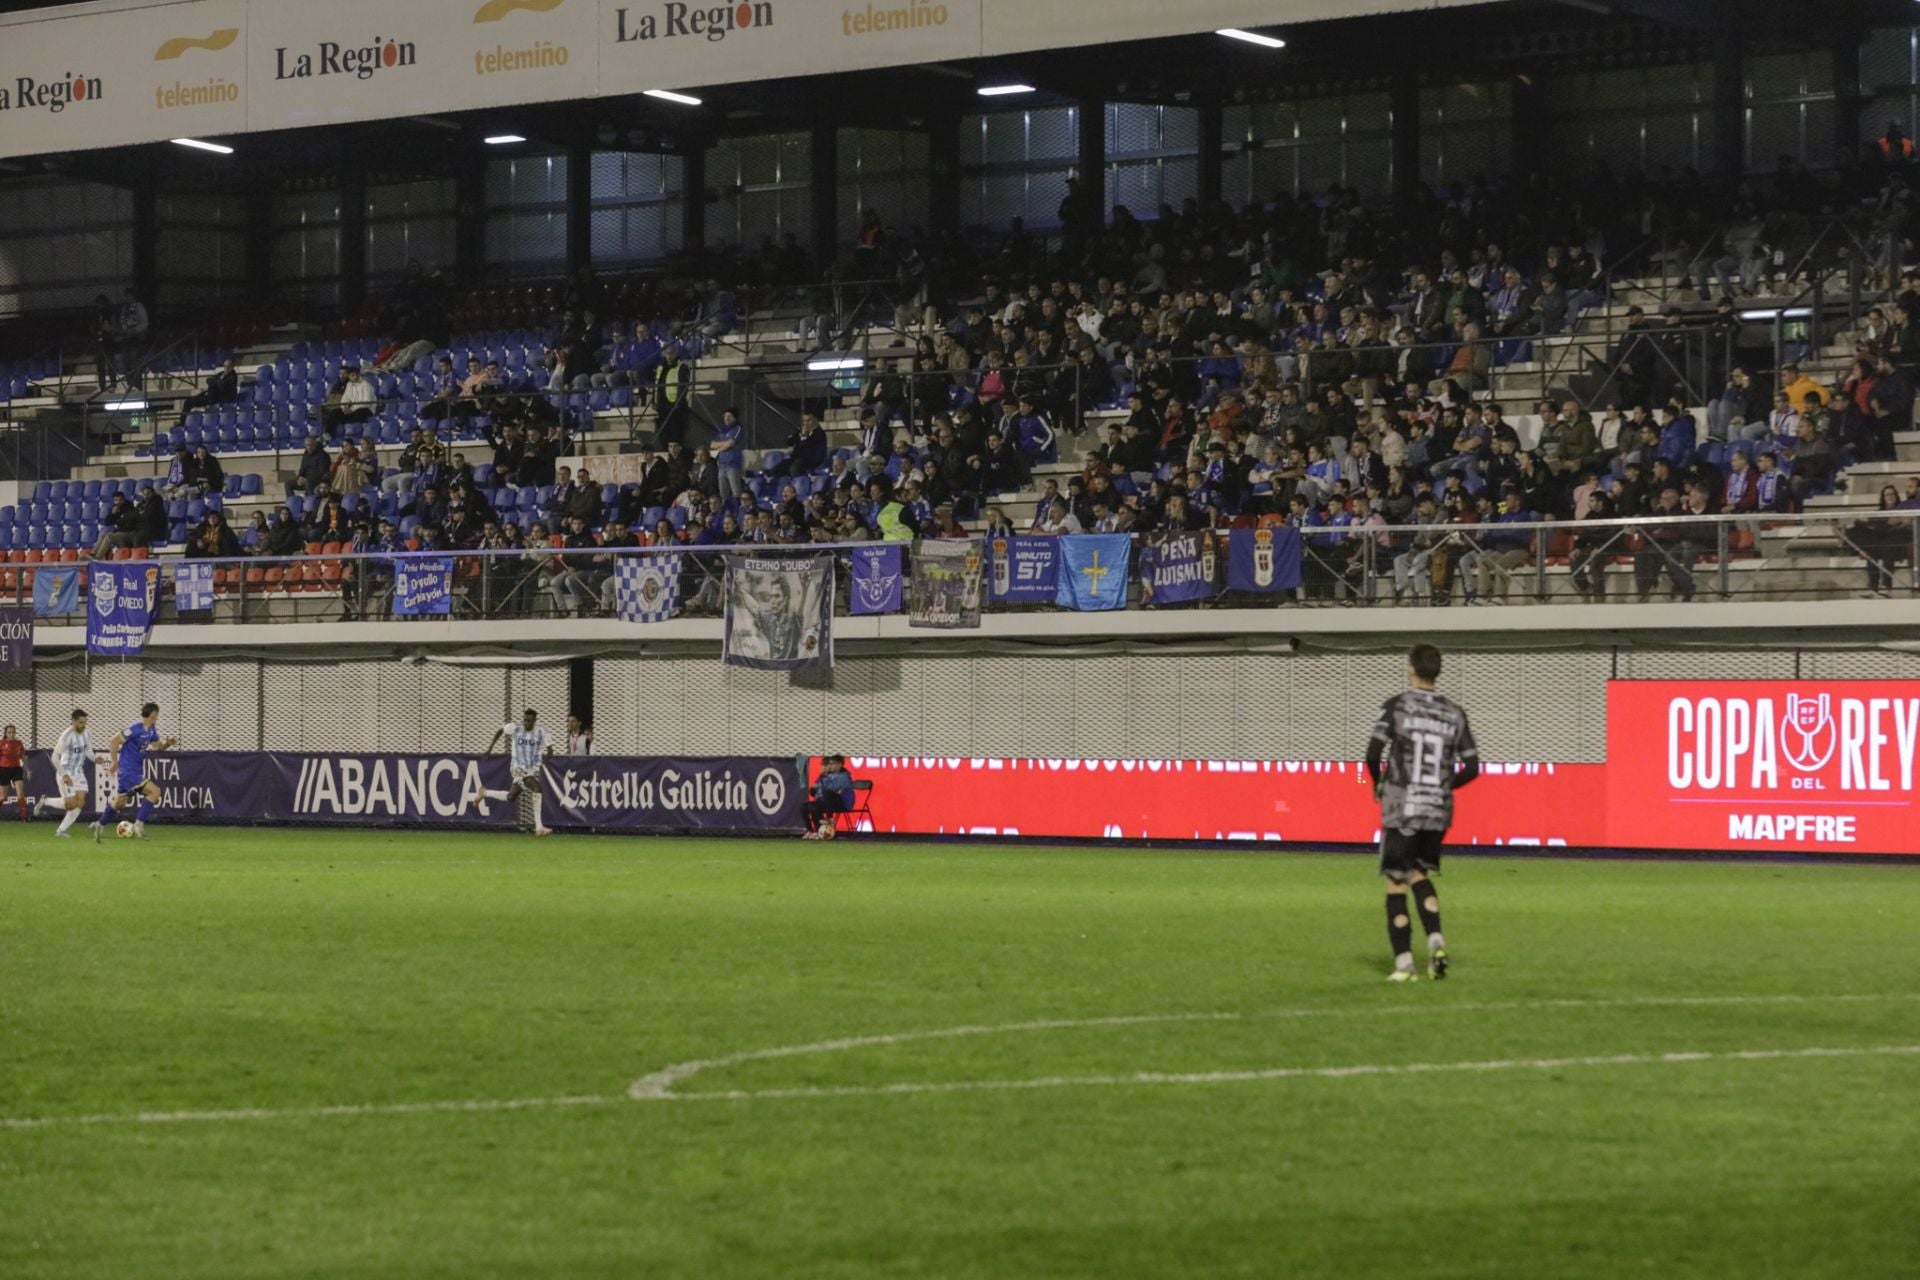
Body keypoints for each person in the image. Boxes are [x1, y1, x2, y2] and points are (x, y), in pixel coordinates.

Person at [1364, 643, 1479, 982]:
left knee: (1396, 881)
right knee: (1419, 873)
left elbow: (1372, 754)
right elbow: (1473, 767)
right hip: (1438, 809)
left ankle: (1404, 965)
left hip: (1404, 806)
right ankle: (1436, 941)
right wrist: (1444, 786)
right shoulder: (1455, 712)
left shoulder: (1398, 706)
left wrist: (1379, 782)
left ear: (1411, 668)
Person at [93, 702, 175, 842]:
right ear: (151, 715)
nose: (157, 717)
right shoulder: (134, 729)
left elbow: (157, 746)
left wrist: (167, 744)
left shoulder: (151, 730)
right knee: (155, 792)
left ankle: (99, 825)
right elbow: (114, 741)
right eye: (156, 715)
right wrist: (114, 762)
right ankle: (138, 825)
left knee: (119, 803)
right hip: (128, 771)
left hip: (134, 771)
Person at [468, 709, 554, 836]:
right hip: (517, 767)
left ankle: (484, 792)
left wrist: (545, 760)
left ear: (535, 721)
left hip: (530, 769)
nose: (526, 722)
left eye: (529, 720)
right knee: (537, 788)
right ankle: (539, 827)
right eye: (525, 719)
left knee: (511, 796)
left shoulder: (542, 731)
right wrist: (489, 749)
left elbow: (550, 750)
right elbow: (500, 731)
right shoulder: (516, 728)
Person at [38, 709, 93, 837]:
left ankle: (61, 831)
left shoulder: (87, 733)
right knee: (71, 804)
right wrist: (64, 775)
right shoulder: (66, 736)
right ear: (73, 721)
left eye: (85, 722)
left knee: (80, 802)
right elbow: (54, 757)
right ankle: (45, 801)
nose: (83, 725)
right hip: (65, 771)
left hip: (78, 772)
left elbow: (88, 751)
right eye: (81, 722)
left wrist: (96, 759)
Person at [803, 755, 856, 840]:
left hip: (842, 803)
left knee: (827, 793)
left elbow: (830, 788)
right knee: (806, 806)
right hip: (828, 802)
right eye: (829, 764)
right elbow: (814, 792)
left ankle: (829, 818)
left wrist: (823, 777)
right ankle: (812, 831)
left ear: (840, 764)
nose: (830, 766)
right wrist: (815, 786)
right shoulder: (828, 775)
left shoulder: (843, 776)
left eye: (833, 763)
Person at [0, 724, 24, 821]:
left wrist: (28, 769)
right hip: (4, 770)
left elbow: (22, 756)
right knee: (3, 797)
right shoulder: (2, 743)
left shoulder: (19, 743)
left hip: (16, 769)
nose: (12, 734)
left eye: (13, 732)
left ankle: (24, 816)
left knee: (20, 793)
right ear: (6, 734)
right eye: (9, 732)